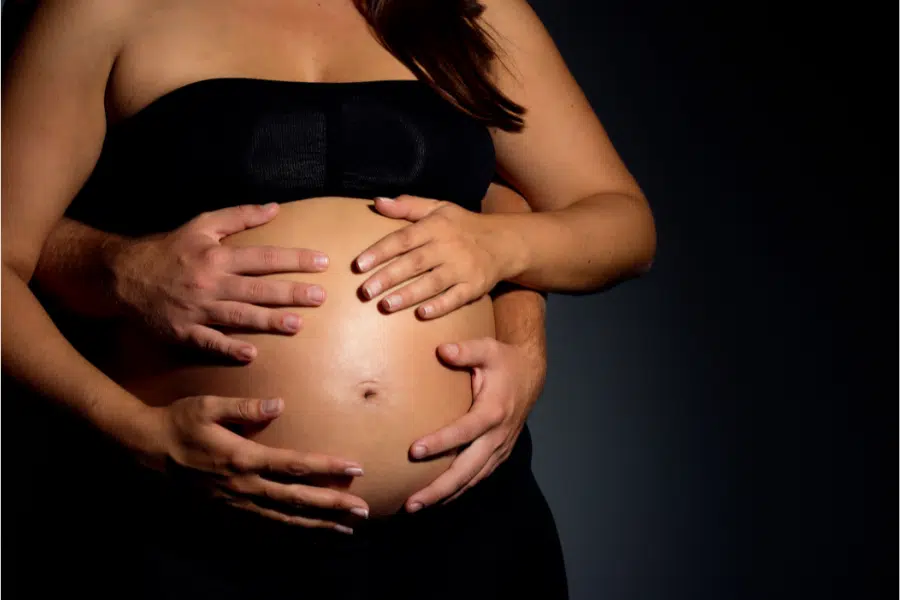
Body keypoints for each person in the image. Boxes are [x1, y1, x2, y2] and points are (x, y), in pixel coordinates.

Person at [1, 0, 656, 598]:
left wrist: (503, 249)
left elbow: (624, 225)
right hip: (182, 523)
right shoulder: (104, 9)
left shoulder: (470, 8)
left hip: (464, 528)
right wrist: (135, 432)